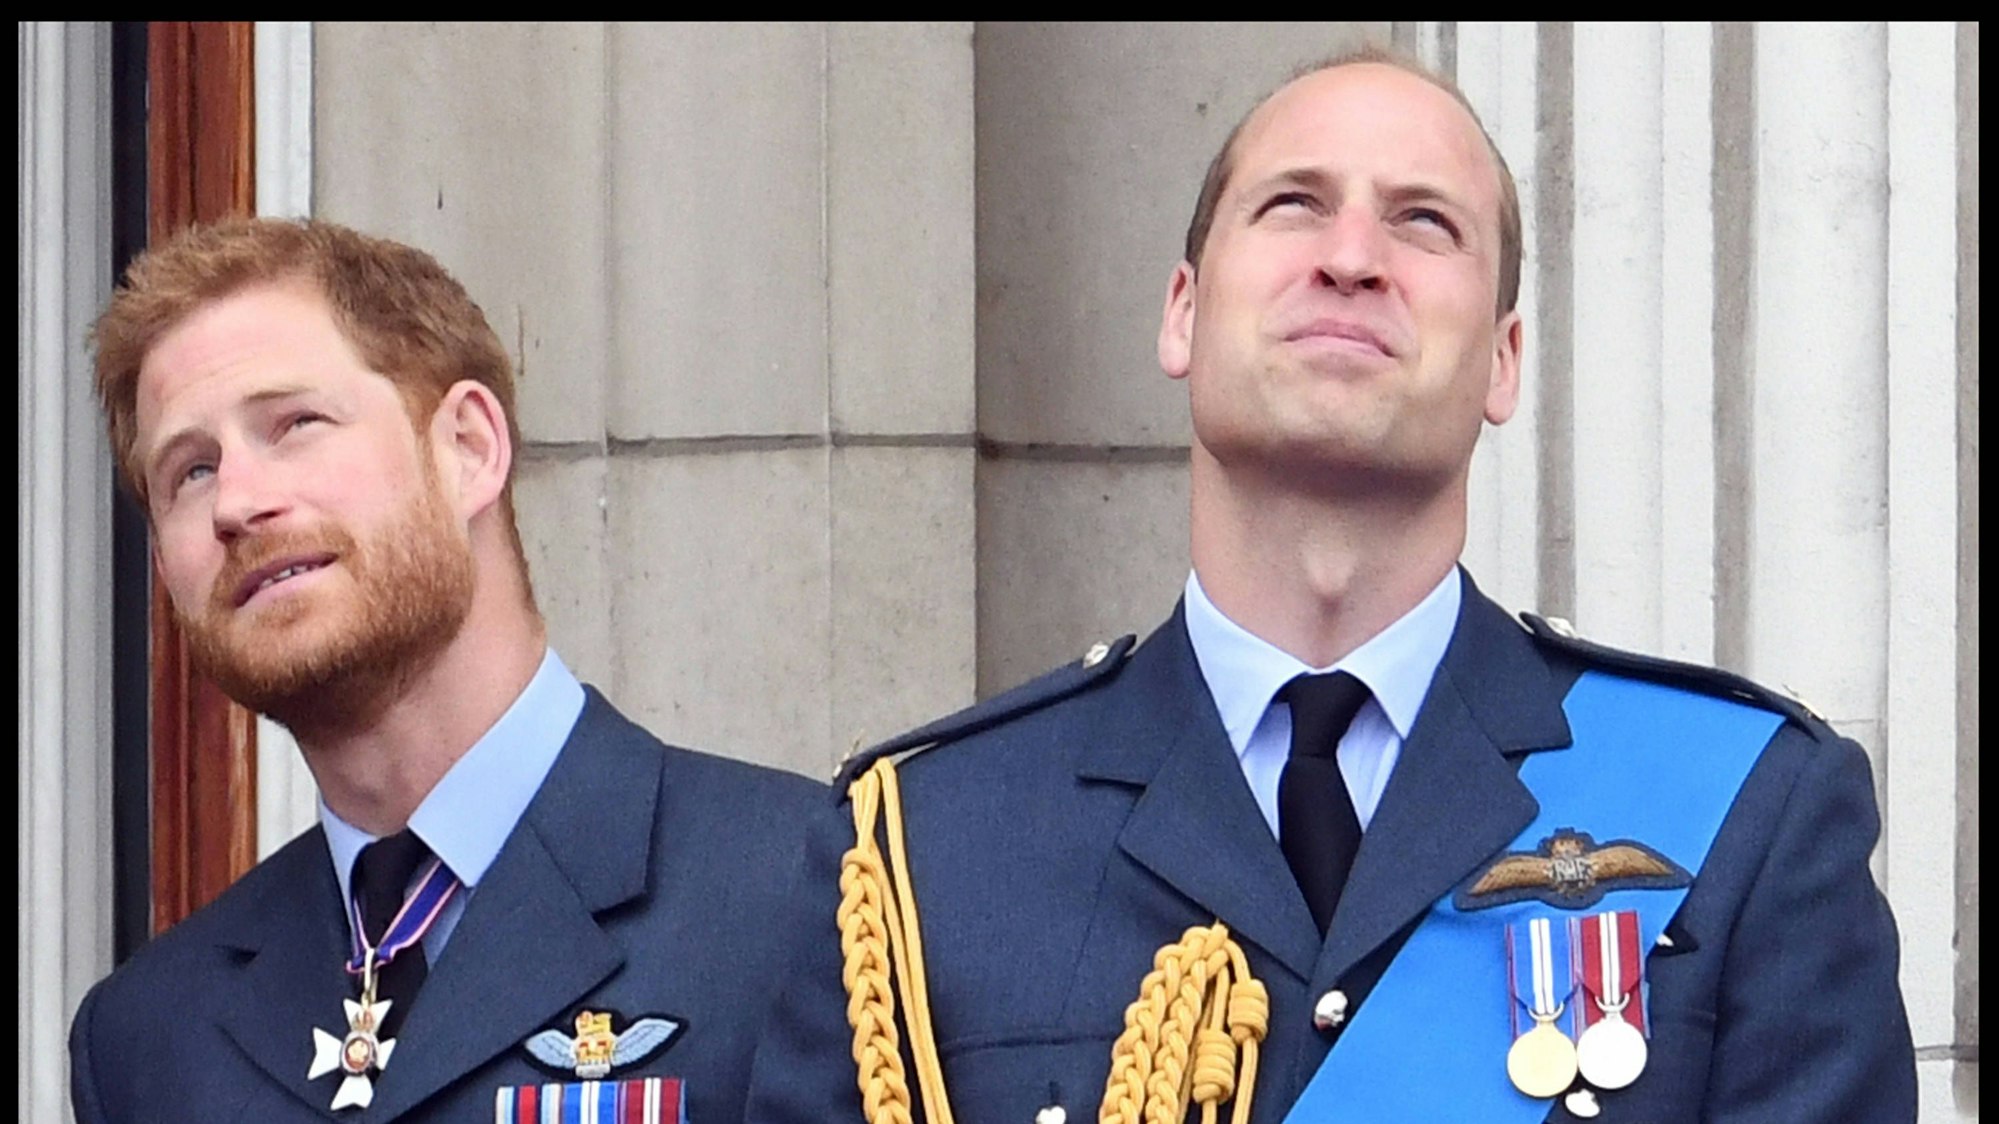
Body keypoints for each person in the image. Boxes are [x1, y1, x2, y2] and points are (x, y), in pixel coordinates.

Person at [745, 48, 1916, 1123]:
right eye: (1293, 202)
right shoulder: (920, 850)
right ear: (1183, 312)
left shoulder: (1748, 815)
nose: (1351, 258)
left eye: (1423, 222)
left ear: (1503, 360)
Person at [68, 217, 822, 1123]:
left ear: (468, 447)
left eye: (295, 423)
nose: (236, 502)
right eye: (188, 472)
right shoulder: (152, 1038)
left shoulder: (815, 895)